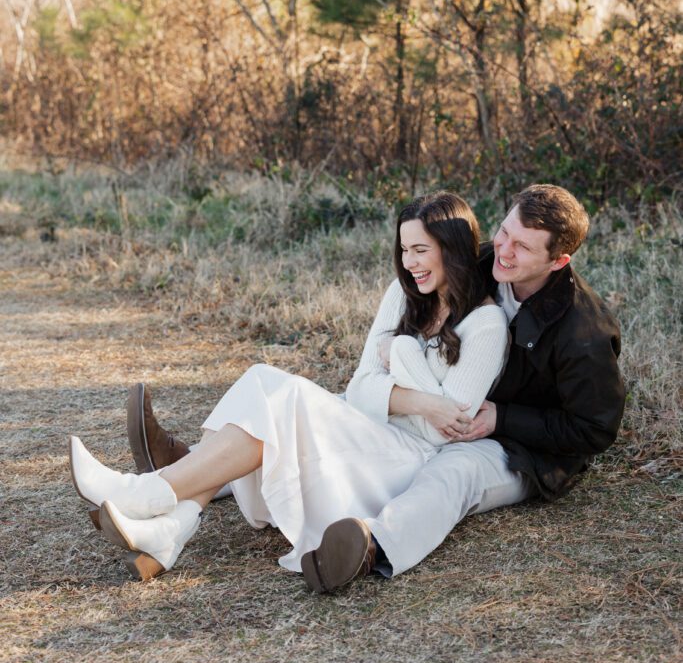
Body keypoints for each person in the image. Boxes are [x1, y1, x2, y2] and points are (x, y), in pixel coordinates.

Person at [118, 183, 625, 593]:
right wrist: (411, 387)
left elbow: (595, 429)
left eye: (522, 247)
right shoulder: (485, 263)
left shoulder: (583, 331)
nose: (504, 251)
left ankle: (368, 546)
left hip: (520, 448)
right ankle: (188, 472)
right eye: (504, 232)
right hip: (445, 409)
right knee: (320, 409)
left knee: (454, 476)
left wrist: (504, 419)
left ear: (557, 261)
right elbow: (391, 370)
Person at [68, 192, 510, 582]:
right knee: (263, 381)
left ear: (451, 250)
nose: (410, 263)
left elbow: (441, 429)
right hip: (367, 425)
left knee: (283, 396)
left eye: (421, 250)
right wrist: (417, 398)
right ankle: (170, 523)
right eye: (404, 249)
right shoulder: (404, 292)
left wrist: (401, 354)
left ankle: (152, 495)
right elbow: (359, 388)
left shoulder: (486, 324)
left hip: (407, 459)